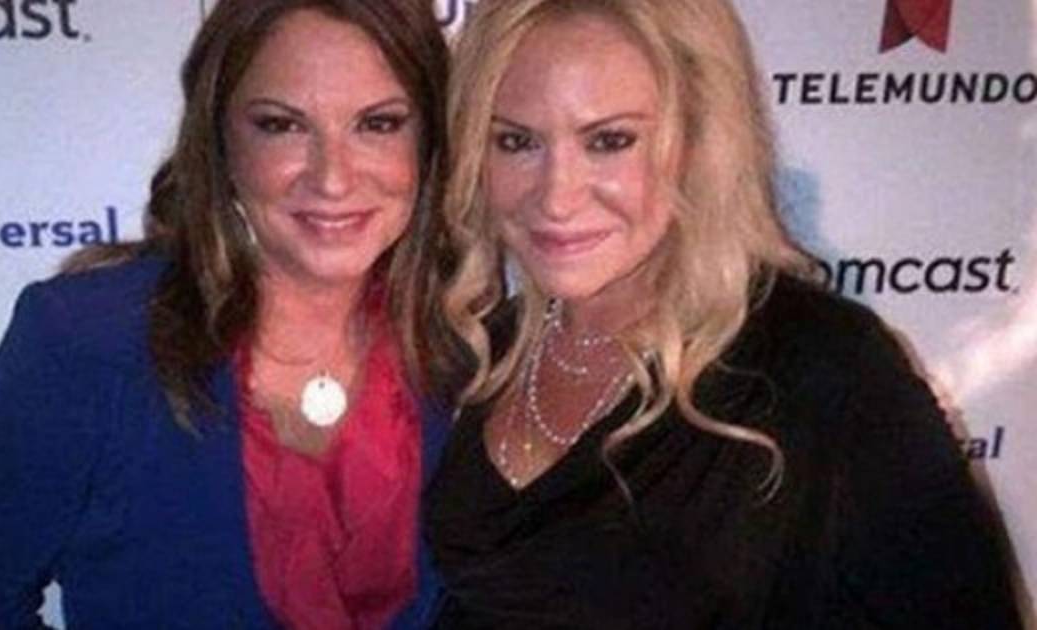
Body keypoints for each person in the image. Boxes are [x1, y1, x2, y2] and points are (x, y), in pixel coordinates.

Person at [427, 0, 1026, 628]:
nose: (556, 195)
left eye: (610, 141)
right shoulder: (485, 352)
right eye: (516, 141)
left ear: (698, 139)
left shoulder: (824, 367)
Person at [0, 0, 456, 627]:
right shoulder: (87, 340)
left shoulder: (467, 342)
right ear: (219, 142)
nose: (332, 178)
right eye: (281, 125)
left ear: (430, 139)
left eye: (378, 124)